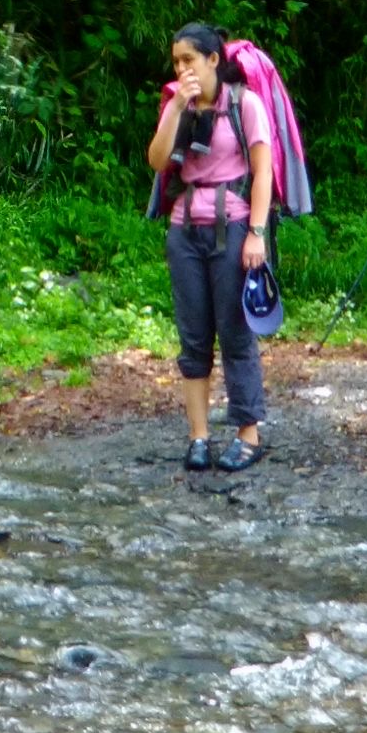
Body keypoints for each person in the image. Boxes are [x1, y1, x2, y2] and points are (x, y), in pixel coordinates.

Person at [145, 24, 272, 473]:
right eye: (176, 61)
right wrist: (177, 105)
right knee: (193, 337)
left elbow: (263, 172)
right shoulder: (176, 104)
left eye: (189, 60)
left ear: (213, 60)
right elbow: (158, 161)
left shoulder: (245, 103)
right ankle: (198, 437)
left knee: (235, 332)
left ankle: (247, 435)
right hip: (184, 231)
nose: (182, 69)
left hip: (233, 227)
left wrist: (256, 232)